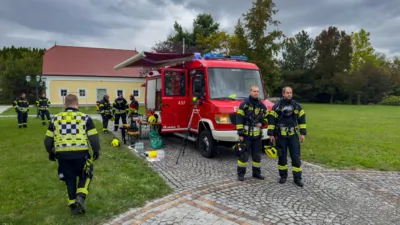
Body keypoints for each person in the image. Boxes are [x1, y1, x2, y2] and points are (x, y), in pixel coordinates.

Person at [44, 94, 100, 215]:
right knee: (86, 173)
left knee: (69, 179)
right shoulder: (84, 117)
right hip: (81, 154)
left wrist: (51, 153)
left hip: (62, 155)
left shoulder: (55, 118)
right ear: (77, 103)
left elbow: (48, 140)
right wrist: (96, 150)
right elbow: (94, 137)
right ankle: (80, 197)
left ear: (65, 104)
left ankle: (73, 207)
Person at [267, 86, 306, 187]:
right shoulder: (277, 107)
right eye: (287, 93)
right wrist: (271, 134)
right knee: (282, 157)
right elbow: (271, 120)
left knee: (296, 157)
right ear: (283, 94)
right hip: (281, 137)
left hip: (293, 136)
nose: (289, 94)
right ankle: (283, 176)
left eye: (290, 93)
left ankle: (297, 178)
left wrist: (302, 133)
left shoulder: (297, 106)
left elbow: (302, 119)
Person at [235, 85, 269, 181]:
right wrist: (240, 134)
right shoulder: (244, 105)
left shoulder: (262, 106)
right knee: (243, 155)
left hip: (257, 136)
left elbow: (267, 117)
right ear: (250, 92)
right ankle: (241, 174)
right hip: (246, 135)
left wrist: (262, 122)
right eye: (254, 91)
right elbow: (239, 119)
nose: (256, 93)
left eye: (258, 91)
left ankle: (256, 173)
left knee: (257, 156)